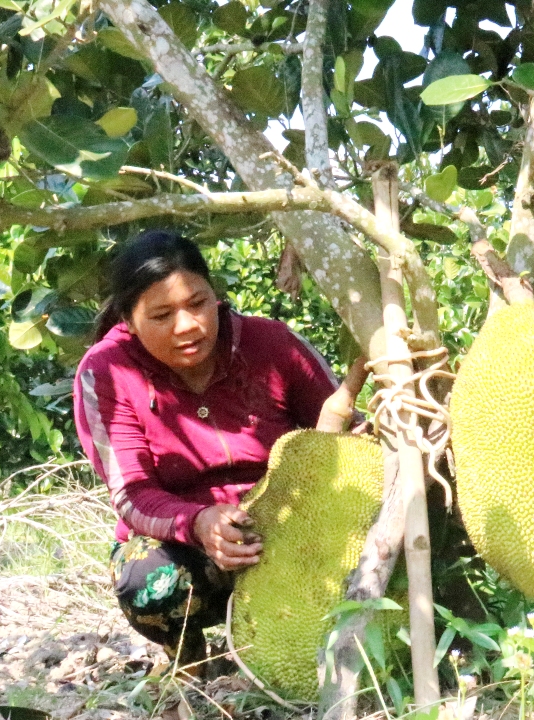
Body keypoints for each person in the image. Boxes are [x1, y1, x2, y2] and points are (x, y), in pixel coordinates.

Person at [73, 229, 362, 670]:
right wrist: (199, 522)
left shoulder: (272, 346)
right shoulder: (106, 373)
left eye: (198, 303)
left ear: (216, 296)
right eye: (162, 314)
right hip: (189, 548)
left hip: (294, 532)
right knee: (147, 579)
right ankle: (186, 656)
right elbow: (132, 493)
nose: (187, 325)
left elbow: (347, 436)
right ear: (128, 321)